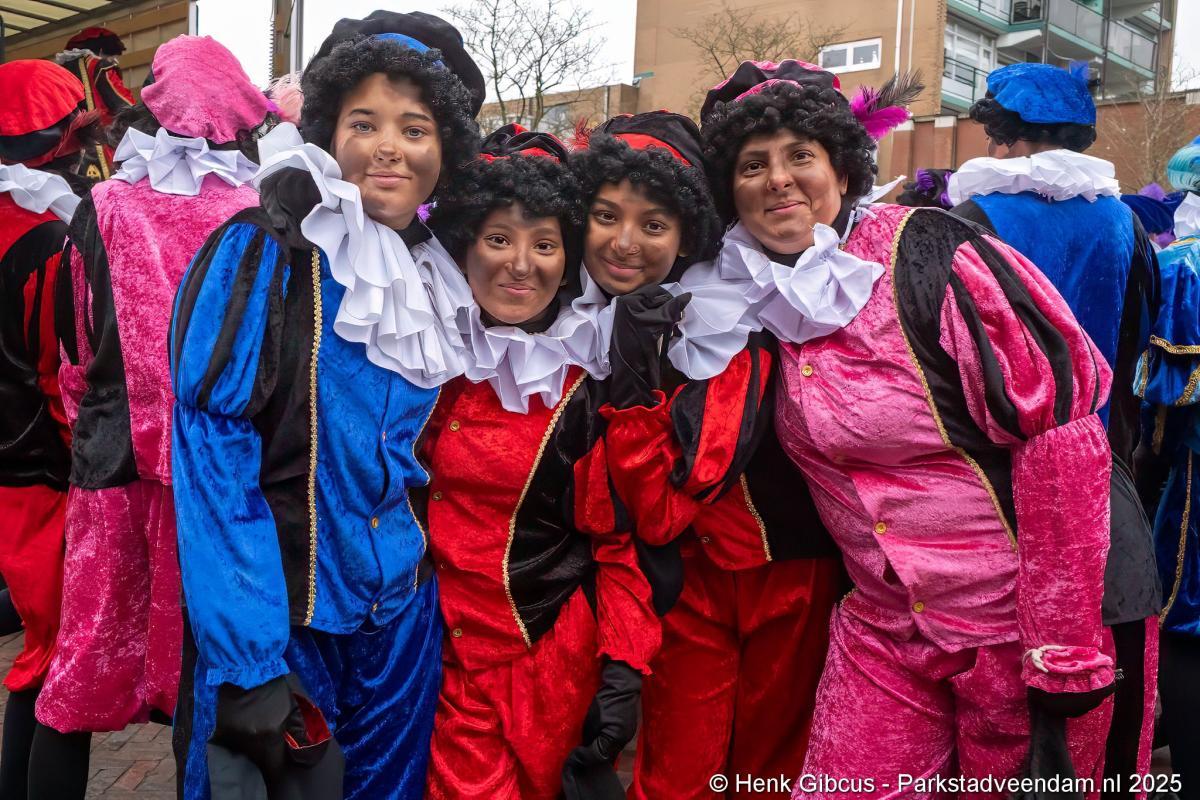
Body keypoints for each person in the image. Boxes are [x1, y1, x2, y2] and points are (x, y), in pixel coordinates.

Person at [661, 57, 1114, 794]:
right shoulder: (739, 298)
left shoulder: (934, 255)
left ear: (841, 171)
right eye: (752, 166)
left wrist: (1061, 646)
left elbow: (1062, 439)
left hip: (1016, 628)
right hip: (884, 626)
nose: (777, 179)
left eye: (800, 156)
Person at [168, 11, 485, 799]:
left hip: (401, 629)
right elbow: (211, 456)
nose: (389, 147)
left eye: (415, 128)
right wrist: (247, 662)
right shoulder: (264, 249)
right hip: (285, 628)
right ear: (328, 133)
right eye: (364, 123)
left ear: (444, 149)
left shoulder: (438, 276)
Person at [26, 36, 275, 800]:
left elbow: (77, 346)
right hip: (219, 482)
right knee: (199, 670)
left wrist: (95, 427)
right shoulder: (259, 212)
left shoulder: (104, 204)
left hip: (113, 468)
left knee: (78, 668)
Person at [575, 109, 841, 799]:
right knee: (678, 772)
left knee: (766, 770)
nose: (625, 242)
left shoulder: (722, 311)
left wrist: (635, 385)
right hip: (678, 583)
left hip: (783, 572)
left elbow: (676, 490)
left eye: (654, 224)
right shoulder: (566, 305)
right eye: (605, 216)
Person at [421, 123, 656, 800]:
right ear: (465, 245)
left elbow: (618, 543)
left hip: (541, 662)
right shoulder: (423, 354)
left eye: (545, 244)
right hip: (428, 656)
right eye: (499, 239)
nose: (521, 265)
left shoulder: (586, 385)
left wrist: (623, 668)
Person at [948, 63, 1161, 783]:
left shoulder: (970, 220)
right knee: (1099, 678)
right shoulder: (1126, 223)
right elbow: (1134, 346)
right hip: (1104, 479)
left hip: (991, 490)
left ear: (1006, 136)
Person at [0, 58, 93, 800]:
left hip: (11, 470)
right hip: (38, 475)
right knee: (56, 660)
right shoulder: (48, 241)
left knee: (43, 651)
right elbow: (59, 378)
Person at [1133, 142, 1200, 797]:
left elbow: (1161, 411)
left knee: (1187, 621)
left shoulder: (1182, 267)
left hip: (1194, 489)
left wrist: (1145, 469)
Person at [53, 27, 135, 180]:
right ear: (102, 50)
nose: (114, 60)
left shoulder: (58, 71)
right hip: (97, 144)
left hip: (62, 149)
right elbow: (121, 103)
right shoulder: (98, 65)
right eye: (112, 56)